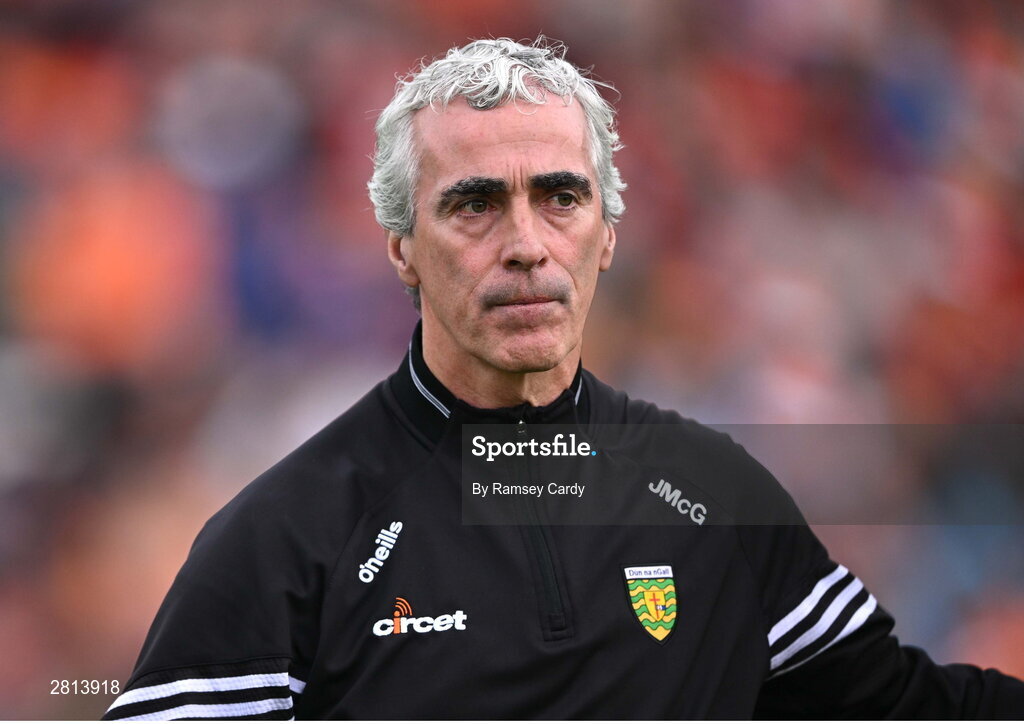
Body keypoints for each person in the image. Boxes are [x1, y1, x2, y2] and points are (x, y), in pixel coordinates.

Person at [102, 37, 1024, 720]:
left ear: (608, 234)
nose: (526, 245)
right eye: (473, 204)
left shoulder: (712, 494)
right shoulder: (287, 540)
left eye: (560, 196)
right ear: (401, 250)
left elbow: (894, 703)